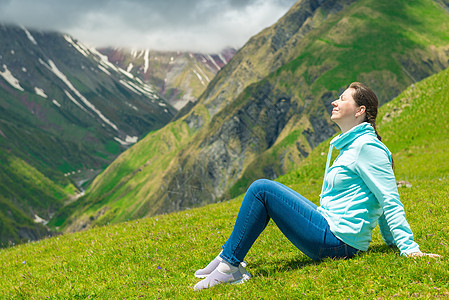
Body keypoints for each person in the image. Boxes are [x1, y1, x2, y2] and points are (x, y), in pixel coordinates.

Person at [193, 82, 440, 291]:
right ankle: (227, 257)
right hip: (331, 228)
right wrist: (390, 241)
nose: (335, 102)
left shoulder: (368, 147)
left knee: (261, 189)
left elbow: (388, 198)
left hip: (338, 242)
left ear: (359, 110)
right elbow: (379, 199)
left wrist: (408, 248)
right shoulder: (353, 145)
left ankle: (230, 266)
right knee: (267, 190)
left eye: (342, 99)